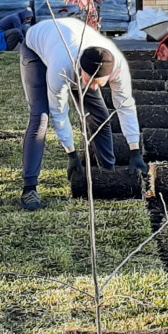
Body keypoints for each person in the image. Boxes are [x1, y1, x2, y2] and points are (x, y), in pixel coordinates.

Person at [19, 14, 148, 211]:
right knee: (41, 118)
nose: (95, 87)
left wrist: (135, 150)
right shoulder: (61, 67)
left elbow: (125, 106)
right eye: (90, 81)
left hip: (69, 38)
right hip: (37, 49)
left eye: (100, 83)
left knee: (100, 116)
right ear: (80, 70)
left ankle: (106, 173)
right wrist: (71, 153)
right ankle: (30, 189)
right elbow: (59, 111)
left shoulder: (117, 66)